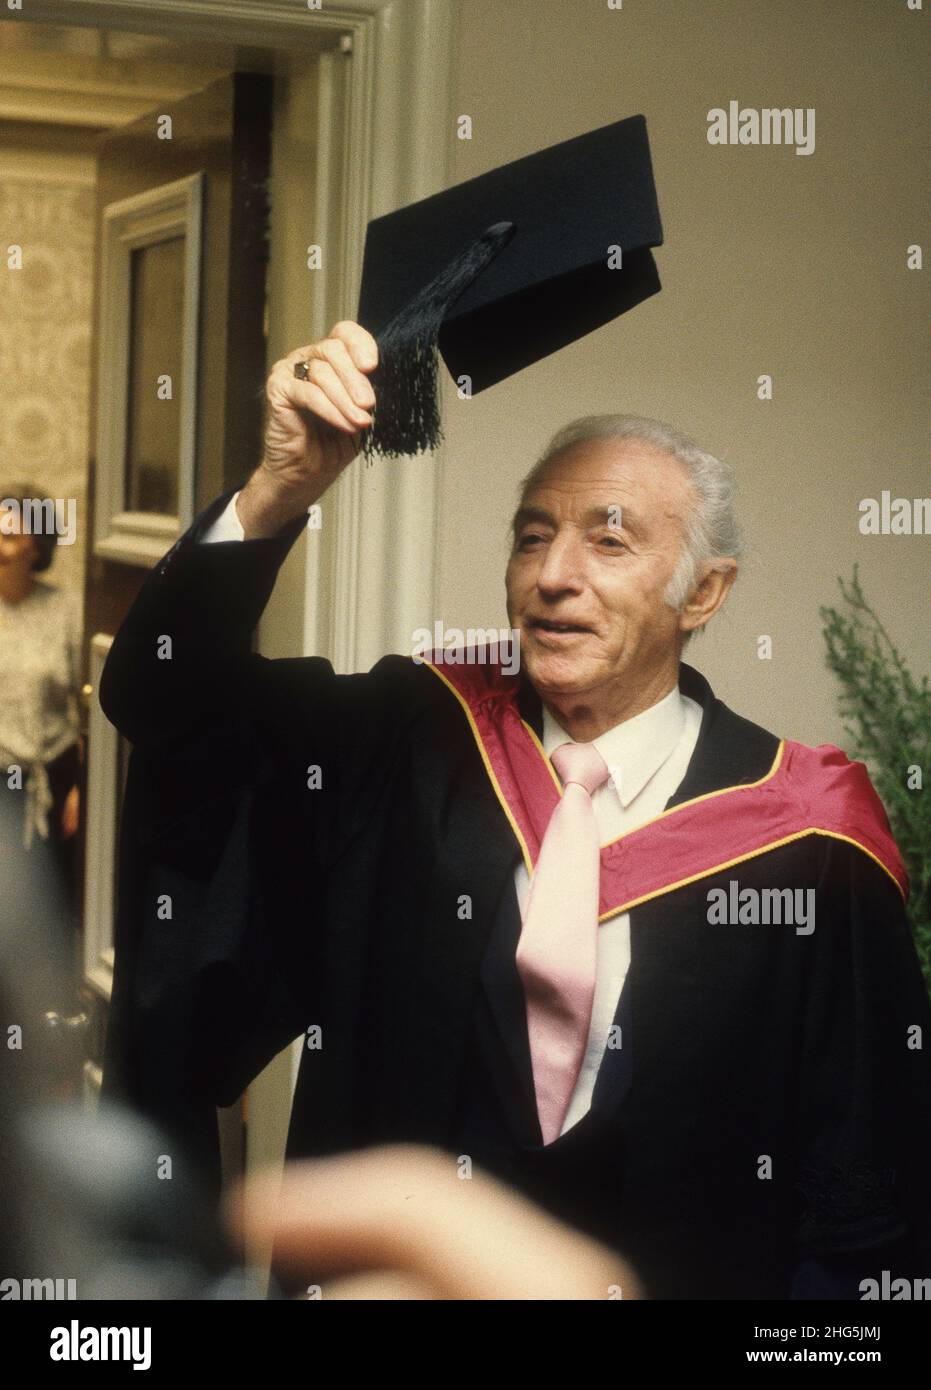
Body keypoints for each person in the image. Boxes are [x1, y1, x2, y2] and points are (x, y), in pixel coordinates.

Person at [100, 323, 931, 1300]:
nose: (551, 576)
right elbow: (163, 699)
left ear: (702, 591)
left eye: (607, 539)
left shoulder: (810, 843)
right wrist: (282, 487)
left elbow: (861, 1224)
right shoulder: (406, 742)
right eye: (532, 535)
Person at [0, 482, 82, 988]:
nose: (4, 528)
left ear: (39, 539)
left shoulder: (67, 608)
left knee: (44, 911)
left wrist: (81, 788)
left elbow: (88, 704)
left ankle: (42, 1030)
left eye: (16, 520)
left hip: (51, 777)